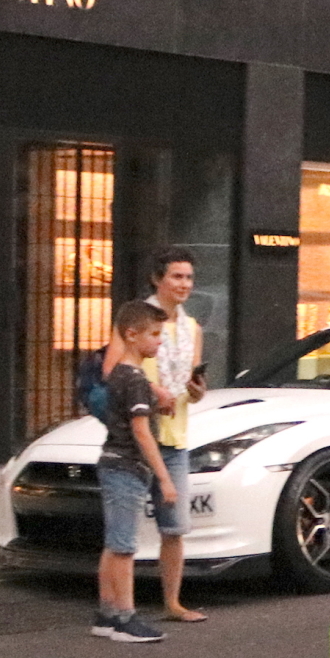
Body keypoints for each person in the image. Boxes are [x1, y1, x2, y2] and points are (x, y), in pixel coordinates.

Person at [102, 249, 208, 622]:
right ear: (157, 279)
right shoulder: (138, 318)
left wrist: (197, 390)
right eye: (177, 277)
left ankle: (172, 603)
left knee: (174, 527)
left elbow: (192, 378)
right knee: (121, 536)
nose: (184, 285)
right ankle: (111, 609)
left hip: (175, 435)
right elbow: (113, 369)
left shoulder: (192, 328)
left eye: (189, 278)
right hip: (137, 436)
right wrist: (153, 391)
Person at [94, 302, 176, 644]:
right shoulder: (136, 379)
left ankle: (107, 613)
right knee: (125, 546)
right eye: (154, 335)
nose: (159, 342)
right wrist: (165, 478)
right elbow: (141, 432)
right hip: (127, 466)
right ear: (131, 334)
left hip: (114, 463)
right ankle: (126, 618)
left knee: (115, 544)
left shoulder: (120, 376)